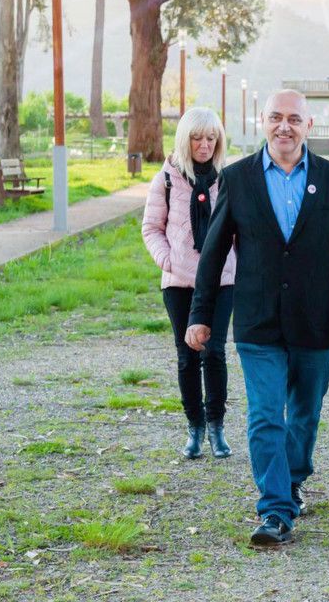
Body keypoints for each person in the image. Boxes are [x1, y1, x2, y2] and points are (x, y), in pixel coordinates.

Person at [187, 89, 329, 546]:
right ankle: (274, 510)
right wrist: (200, 315)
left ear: (309, 125)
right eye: (275, 118)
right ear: (261, 122)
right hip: (257, 320)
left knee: (305, 414)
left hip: (312, 319)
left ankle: (291, 479)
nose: (283, 126)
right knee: (266, 414)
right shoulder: (237, 178)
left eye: (293, 118)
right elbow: (212, 255)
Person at [141, 107, 236, 460]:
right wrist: (169, 261)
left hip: (222, 281)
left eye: (211, 138)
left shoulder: (228, 177)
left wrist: (235, 265)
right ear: (185, 139)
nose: (204, 145)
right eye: (197, 138)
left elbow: (240, 229)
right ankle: (194, 427)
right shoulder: (166, 179)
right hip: (178, 283)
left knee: (215, 352)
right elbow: (151, 228)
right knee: (187, 355)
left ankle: (216, 428)